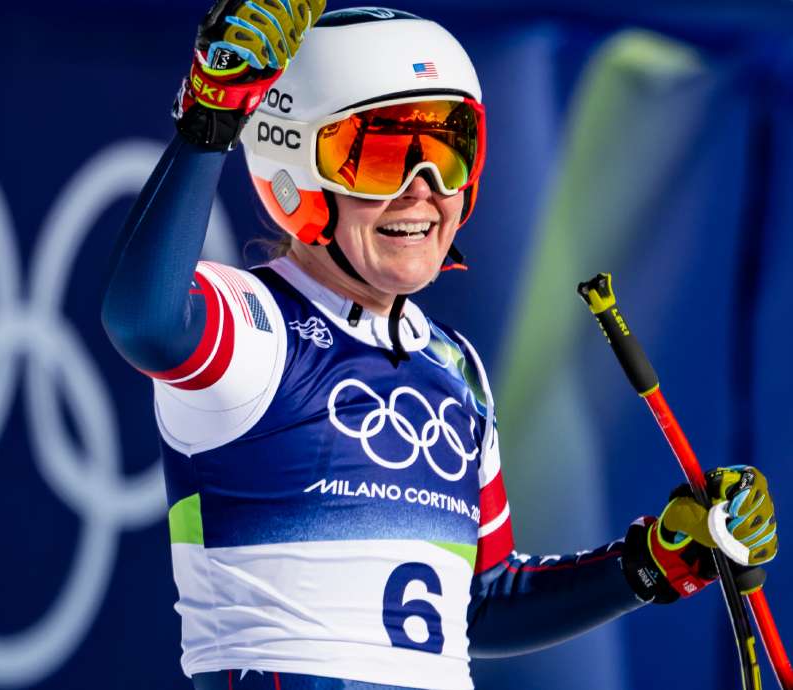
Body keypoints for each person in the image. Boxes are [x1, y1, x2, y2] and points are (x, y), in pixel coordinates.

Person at [100, 4, 780, 689]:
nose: (422, 192)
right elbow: (145, 322)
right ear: (291, 163)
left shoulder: (453, 365)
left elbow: (480, 606)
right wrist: (209, 123)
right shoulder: (256, 326)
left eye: (447, 150)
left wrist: (655, 562)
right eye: (383, 155)